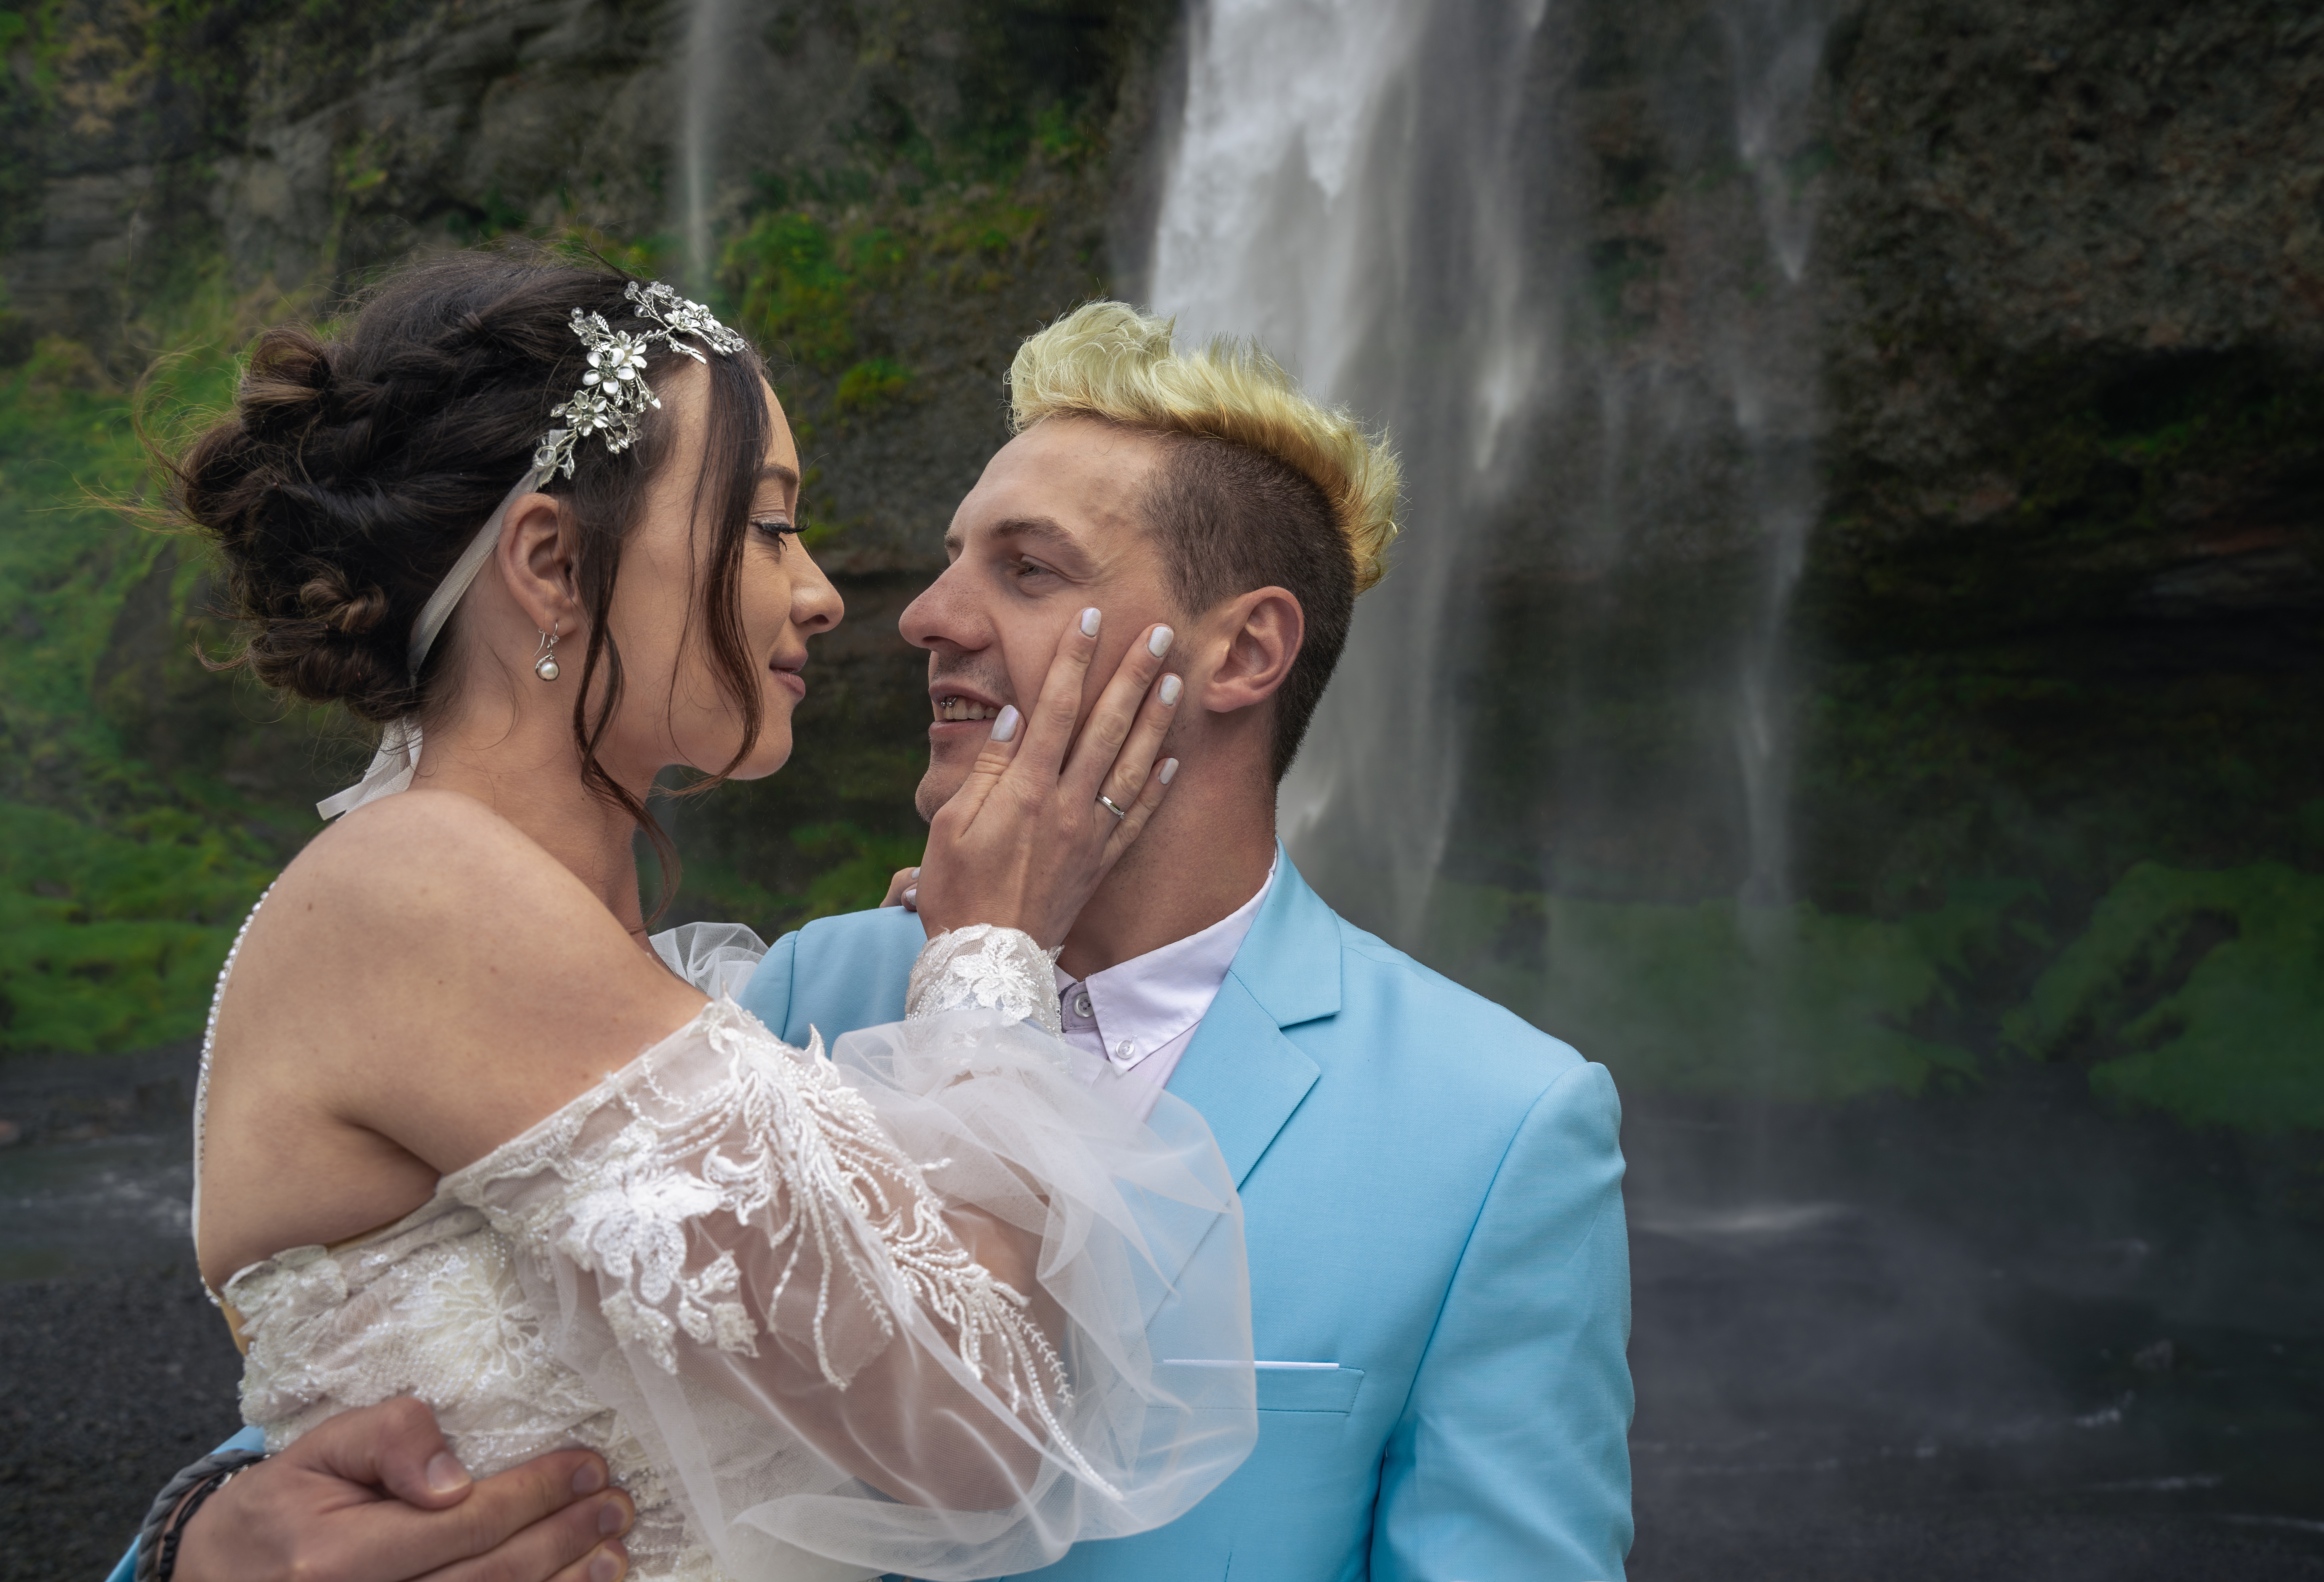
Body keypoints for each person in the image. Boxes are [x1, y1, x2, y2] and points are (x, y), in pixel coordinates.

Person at [131, 300, 1634, 1580]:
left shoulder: (1493, 1130)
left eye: (1026, 570)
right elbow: (423, 1388)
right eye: (939, 558)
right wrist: (199, 1540)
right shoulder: (790, 995)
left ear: (1243, 651)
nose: (913, 614)